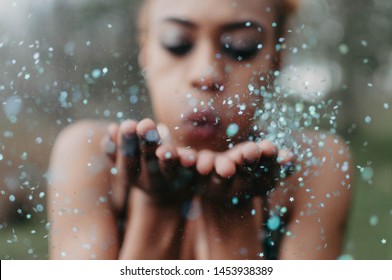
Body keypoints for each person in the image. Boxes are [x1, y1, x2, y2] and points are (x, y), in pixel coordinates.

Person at [47, 0, 352, 260]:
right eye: (177, 43)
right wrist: (158, 208)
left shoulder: (315, 166)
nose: (206, 74)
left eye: (241, 47)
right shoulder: (90, 156)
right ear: (146, 52)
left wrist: (230, 212)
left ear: (277, 60)